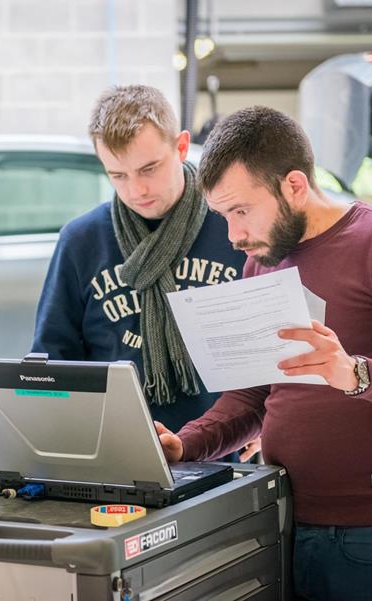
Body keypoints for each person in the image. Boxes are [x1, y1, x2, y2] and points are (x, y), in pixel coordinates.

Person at [155, 105, 372, 601]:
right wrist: (184, 446)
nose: (233, 236)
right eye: (224, 216)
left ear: (294, 185)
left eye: (241, 211)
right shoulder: (262, 264)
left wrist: (357, 374)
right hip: (286, 520)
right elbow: (251, 398)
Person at [31, 85, 251, 457]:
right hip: (115, 453)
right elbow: (52, 363)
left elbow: (278, 345)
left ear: (181, 147)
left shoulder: (235, 227)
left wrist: (267, 422)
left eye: (149, 168)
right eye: (117, 175)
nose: (137, 190)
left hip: (223, 453)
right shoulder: (82, 241)